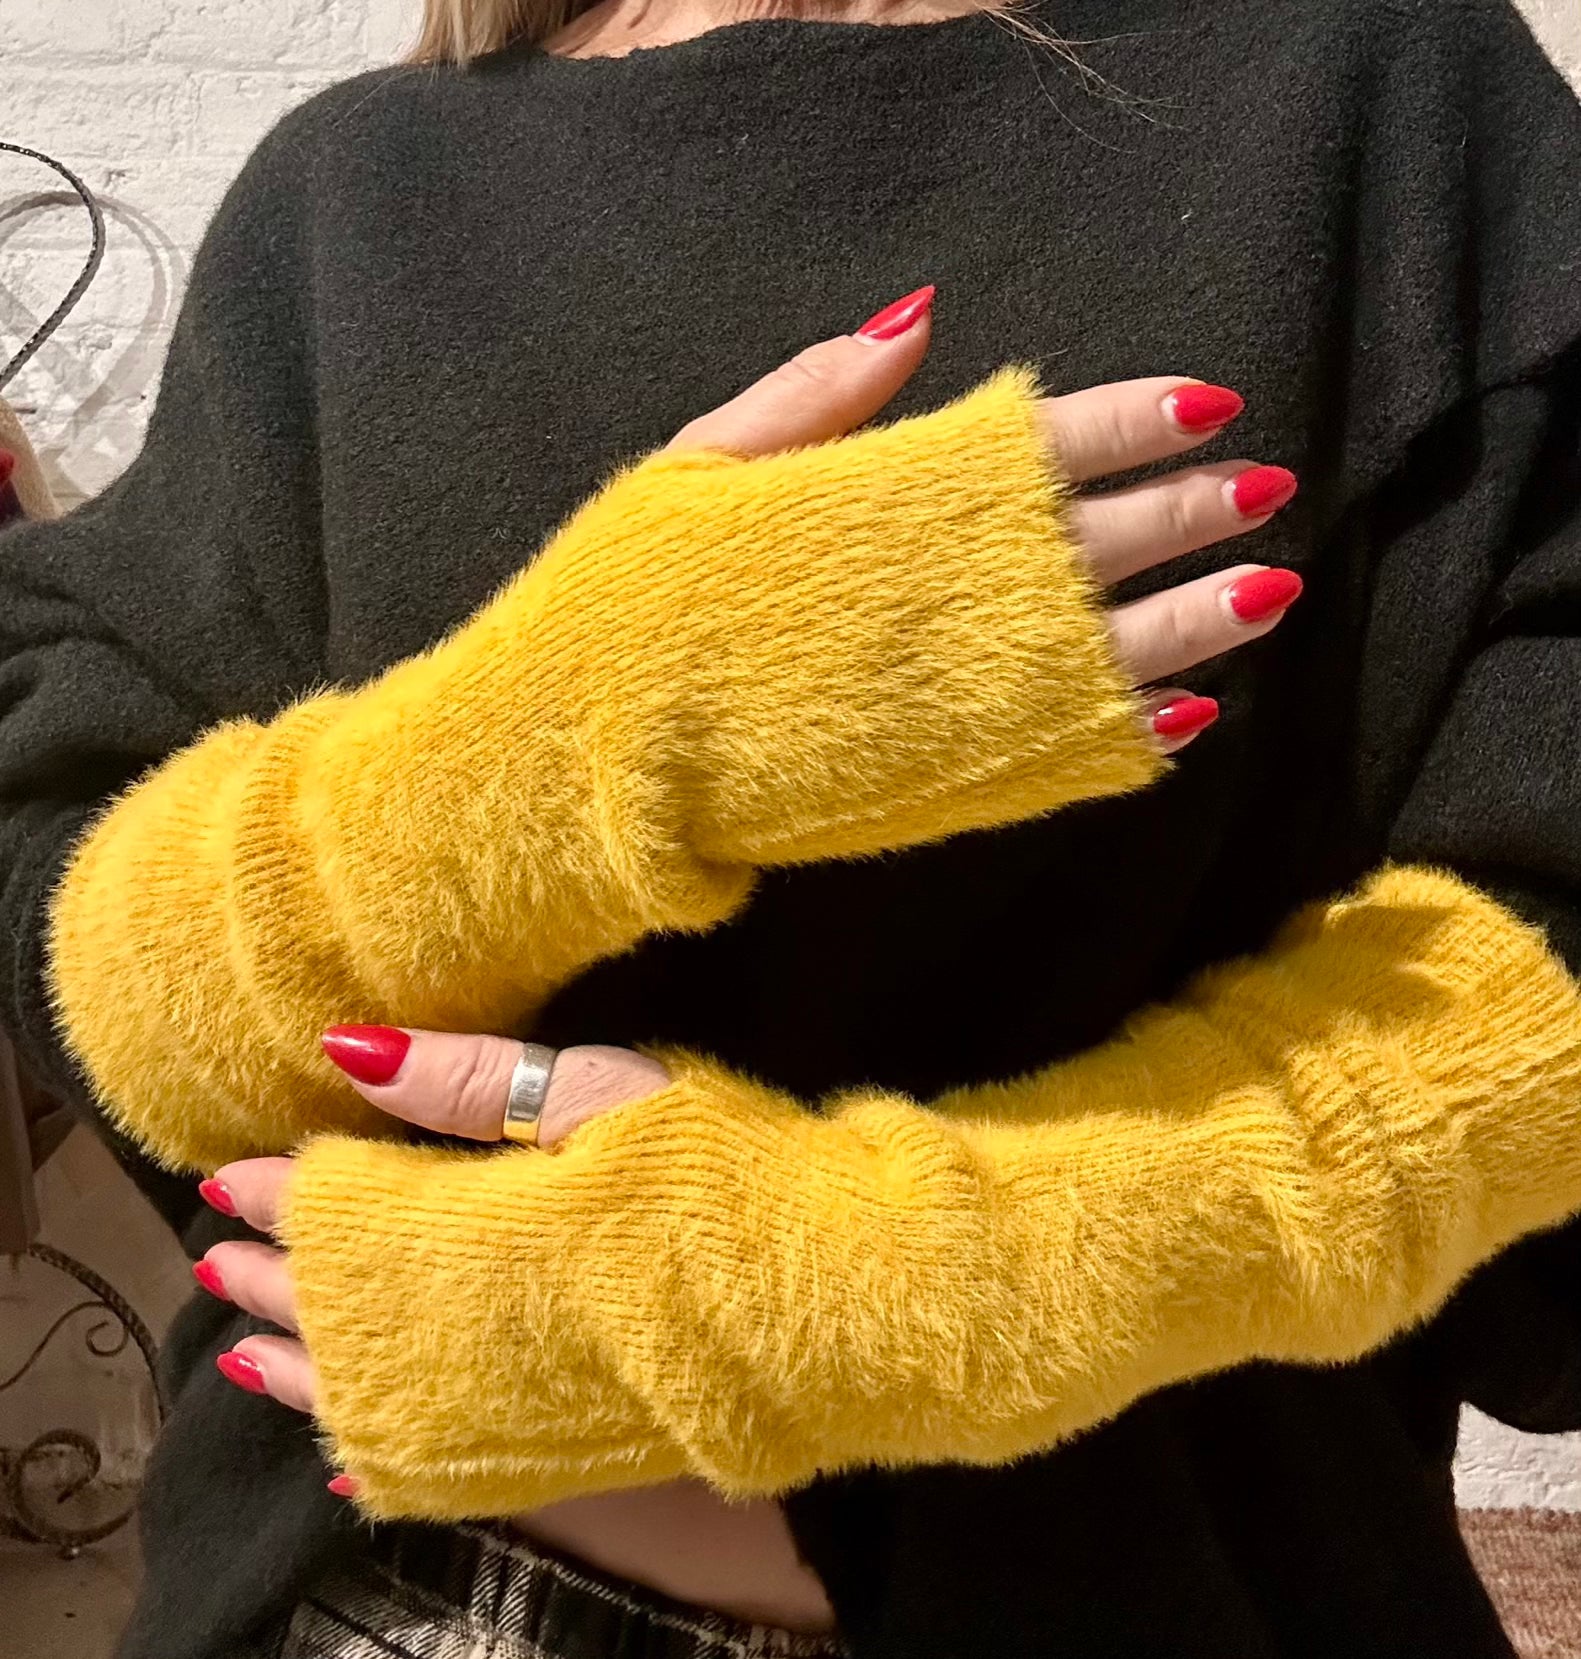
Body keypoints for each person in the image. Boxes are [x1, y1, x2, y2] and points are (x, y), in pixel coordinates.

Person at [2, 3, 1579, 1658]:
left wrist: (903, 1283)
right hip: (377, 1599)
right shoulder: (352, 195)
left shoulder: (1377, 101)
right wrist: (529, 760)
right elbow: (79, 916)